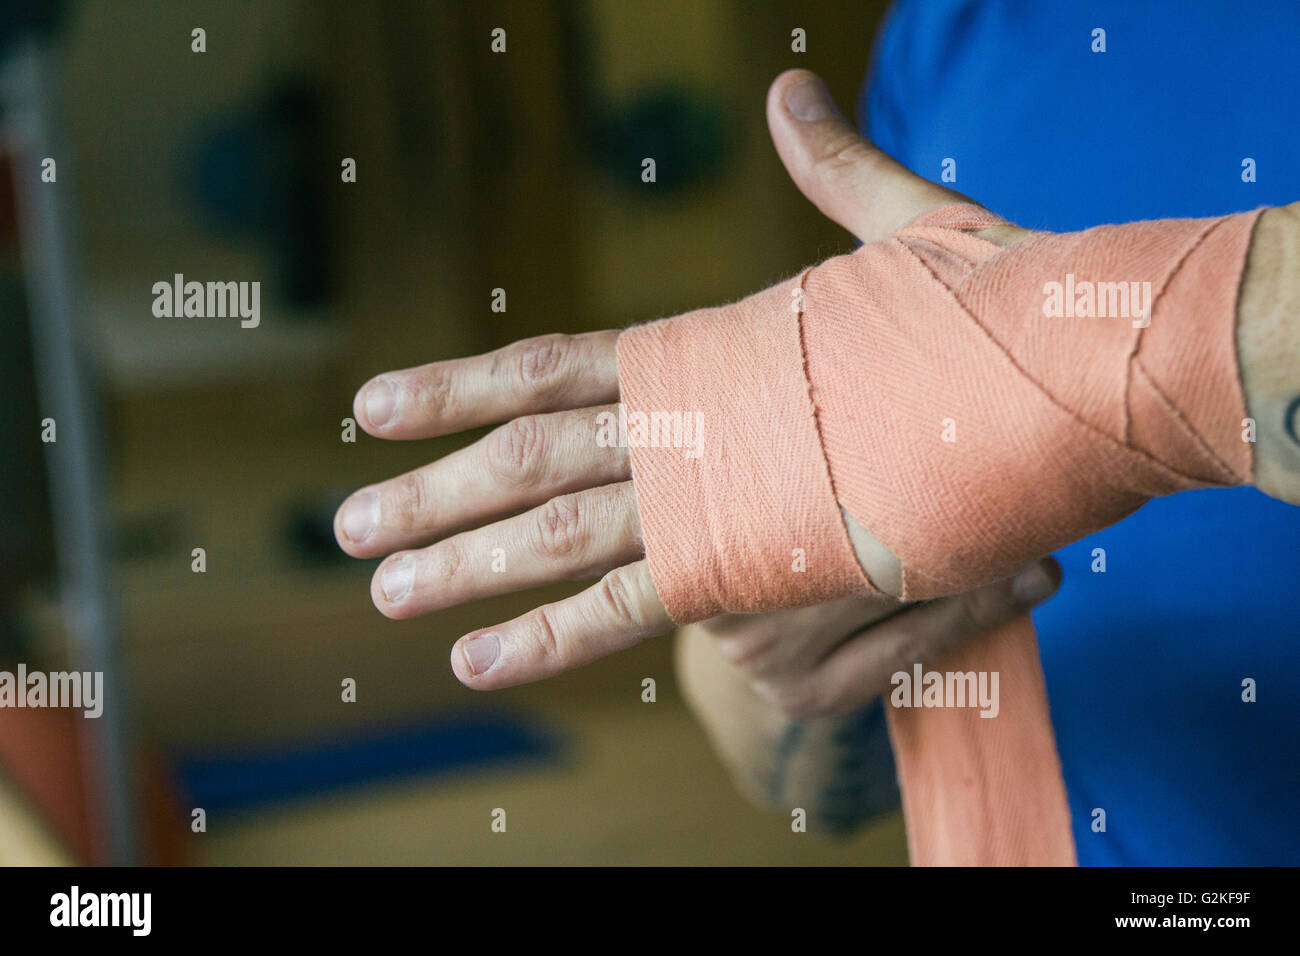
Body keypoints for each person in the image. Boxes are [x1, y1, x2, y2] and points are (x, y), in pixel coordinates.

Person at [334, 5, 1300, 865]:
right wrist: (777, 647)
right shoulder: (946, 36)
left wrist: (1127, 352)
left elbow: (1018, 374)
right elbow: (801, 777)